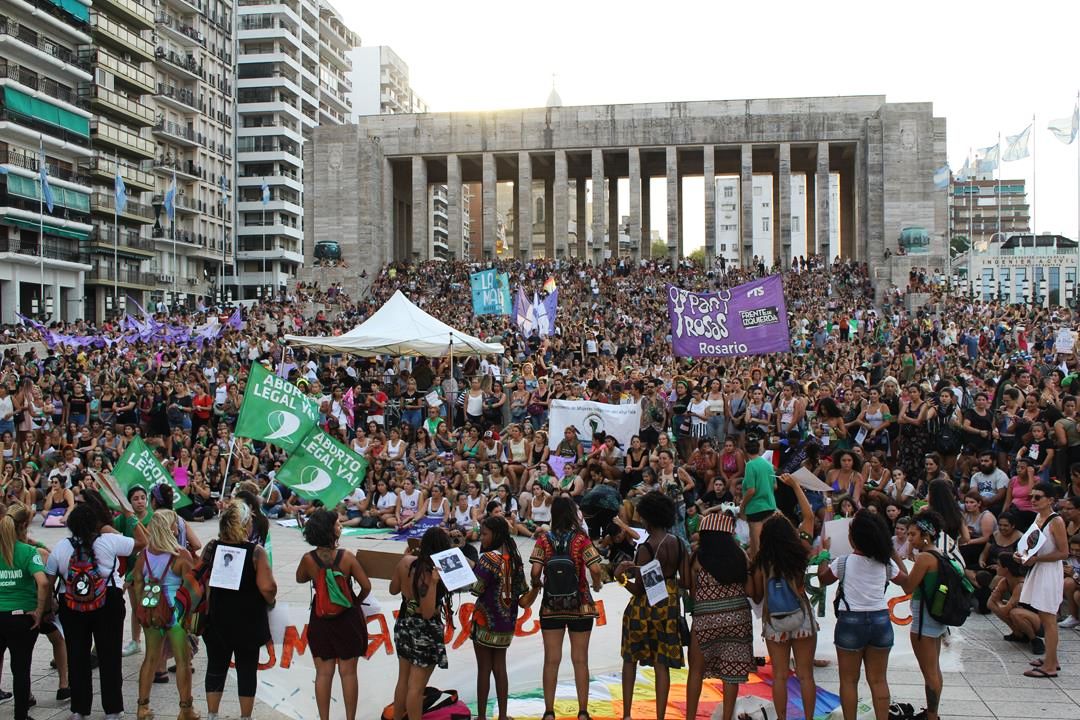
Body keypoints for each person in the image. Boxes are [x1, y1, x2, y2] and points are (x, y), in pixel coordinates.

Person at [46, 501, 146, 720]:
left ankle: (79, 709)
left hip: (71, 604)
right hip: (107, 601)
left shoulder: (61, 547)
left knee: (77, 656)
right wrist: (130, 515)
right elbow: (142, 542)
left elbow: (49, 580)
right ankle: (112, 710)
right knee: (110, 656)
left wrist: (47, 607)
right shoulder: (109, 541)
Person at [818, 510, 904, 720]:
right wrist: (892, 553)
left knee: (848, 680)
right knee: (878, 680)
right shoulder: (885, 563)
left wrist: (824, 554)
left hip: (851, 622)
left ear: (853, 539)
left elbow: (823, 579)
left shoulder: (843, 562)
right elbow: (908, 582)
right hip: (881, 621)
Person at [614, 492, 688, 720]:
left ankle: (626, 714)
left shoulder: (645, 548)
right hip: (669, 607)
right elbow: (684, 581)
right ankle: (660, 716)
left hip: (643, 611)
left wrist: (621, 577)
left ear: (648, 518)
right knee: (661, 663)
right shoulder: (678, 544)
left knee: (630, 659)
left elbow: (639, 590)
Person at [530, 496, 604, 720]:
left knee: (551, 660)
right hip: (580, 604)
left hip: (551, 606)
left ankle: (549, 712)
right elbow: (597, 568)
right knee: (580, 659)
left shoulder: (544, 539)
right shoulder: (581, 539)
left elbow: (534, 572)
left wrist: (538, 584)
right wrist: (597, 584)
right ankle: (582, 712)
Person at [203, 500, 277, 720]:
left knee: (215, 667)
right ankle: (245, 716)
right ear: (244, 525)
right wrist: (271, 600)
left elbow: (199, 577)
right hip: (248, 621)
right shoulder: (256, 552)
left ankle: (212, 714)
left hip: (216, 618)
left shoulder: (211, 547)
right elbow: (268, 587)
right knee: (246, 670)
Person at [295, 508, 371, 720]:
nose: (341, 526)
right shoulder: (346, 557)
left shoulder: (308, 559)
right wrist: (355, 602)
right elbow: (366, 586)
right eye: (338, 524)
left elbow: (300, 578)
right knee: (348, 674)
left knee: (323, 673)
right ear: (330, 531)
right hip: (347, 619)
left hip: (320, 618)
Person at [684, 512, 754, 720]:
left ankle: (690, 718)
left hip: (706, 620)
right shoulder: (740, 555)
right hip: (737, 619)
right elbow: (749, 590)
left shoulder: (697, 557)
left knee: (695, 670)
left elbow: (693, 592)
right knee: (730, 673)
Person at [749, 509, 818, 720]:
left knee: (779, 676)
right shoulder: (799, 553)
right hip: (802, 617)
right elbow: (809, 518)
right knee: (806, 675)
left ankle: (781, 718)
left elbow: (758, 596)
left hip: (774, 622)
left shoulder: (762, 561)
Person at [133, 510, 197, 720]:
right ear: (169, 528)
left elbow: (138, 583)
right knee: (183, 661)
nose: (178, 527)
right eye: (175, 524)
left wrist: (146, 605)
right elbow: (190, 587)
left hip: (152, 610)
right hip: (175, 613)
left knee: (150, 658)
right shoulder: (181, 554)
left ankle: (142, 708)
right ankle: (185, 709)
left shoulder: (144, 556)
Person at [470, 516, 533, 720]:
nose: (482, 537)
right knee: (500, 668)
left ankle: (481, 717)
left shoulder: (488, 559)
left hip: (485, 620)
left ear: (495, 534)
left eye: (485, 534)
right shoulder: (514, 559)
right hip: (506, 622)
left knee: (483, 669)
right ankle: (503, 716)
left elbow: (476, 588)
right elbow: (523, 593)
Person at [390, 526, 451, 720]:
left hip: (404, 623)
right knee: (416, 687)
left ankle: (397, 717)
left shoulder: (406, 562)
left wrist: (402, 560)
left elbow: (393, 589)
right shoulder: (429, 572)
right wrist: (433, 583)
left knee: (403, 680)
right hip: (423, 630)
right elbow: (426, 612)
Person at [896, 510, 949, 720]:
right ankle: (932, 712)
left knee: (929, 671)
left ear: (926, 534)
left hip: (924, 619)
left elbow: (908, 587)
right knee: (934, 668)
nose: (909, 538)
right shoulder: (938, 552)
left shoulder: (925, 558)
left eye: (913, 534)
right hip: (934, 618)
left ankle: (932, 716)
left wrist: (895, 564)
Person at [1013, 482, 1069, 678]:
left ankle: (1051, 665)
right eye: (1032, 497)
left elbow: (1064, 552)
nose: (1033, 501)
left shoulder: (1056, 521)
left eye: (1038, 497)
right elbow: (1033, 543)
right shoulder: (1039, 517)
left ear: (1050, 500)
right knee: (1044, 616)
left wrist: (1038, 559)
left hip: (1049, 571)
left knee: (1049, 618)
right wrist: (1021, 555)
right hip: (1038, 568)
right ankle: (1050, 658)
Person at [0, 504, 48, 720]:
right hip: (21, 618)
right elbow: (43, 582)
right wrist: (39, 610)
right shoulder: (29, 551)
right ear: (25, 526)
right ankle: (21, 715)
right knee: (21, 668)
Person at [739, 436, 775, 557]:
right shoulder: (768, 465)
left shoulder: (750, 465)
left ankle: (758, 572)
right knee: (768, 542)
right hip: (770, 506)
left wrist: (742, 505)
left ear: (746, 451)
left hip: (756, 508)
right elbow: (775, 486)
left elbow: (751, 490)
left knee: (757, 545)